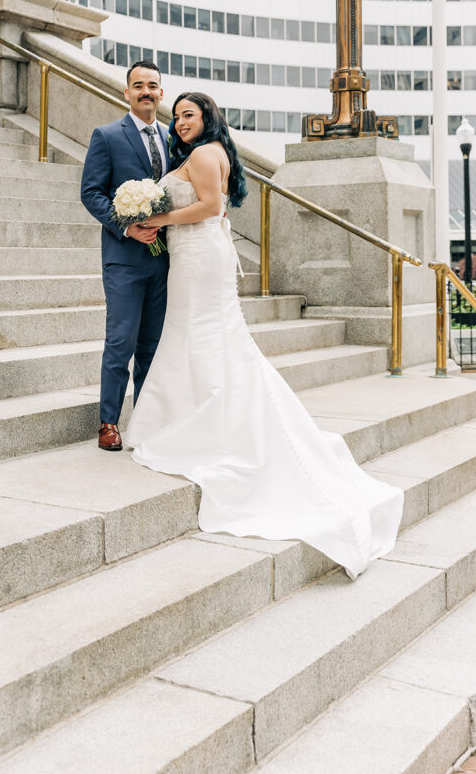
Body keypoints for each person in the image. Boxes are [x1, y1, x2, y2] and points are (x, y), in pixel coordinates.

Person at [126, 91, 403, 580]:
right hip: (190, 255)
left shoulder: (207, 154)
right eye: (179, 116)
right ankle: (187, 413)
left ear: (208, 118)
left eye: (190, 114)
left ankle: (207, 421)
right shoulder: (196, 155)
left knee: (207, 336)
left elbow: (211, 207)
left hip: (200, 256)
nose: (182, 121)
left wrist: (158, 217)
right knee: (192, 334)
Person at [80, 61, 170, 451]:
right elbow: (91, 192)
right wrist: (126, 226)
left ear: (161, 93)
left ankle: (146, 420)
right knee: (121, 342)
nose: (145, 91)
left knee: (153, 344)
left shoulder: (174, 139)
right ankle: (109, 422)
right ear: (127, 93)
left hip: (165, 259)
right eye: (138, 86)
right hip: (123, 258)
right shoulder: (107, 136)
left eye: (152, 85)